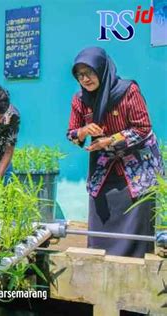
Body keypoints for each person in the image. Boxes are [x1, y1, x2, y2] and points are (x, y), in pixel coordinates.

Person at [67, 47, 164, 258]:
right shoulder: (80, 100)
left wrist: (110, 140)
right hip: (104, 160)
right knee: (99, 200)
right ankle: (100, 254)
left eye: (89, 72)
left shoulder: (128, 90)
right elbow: (72, 134)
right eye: (80, 75)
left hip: (137, 159)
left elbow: (143, 128)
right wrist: (83, 131)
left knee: (137, 202)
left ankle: (134, 257)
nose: (85, 79)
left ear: (101, 69)